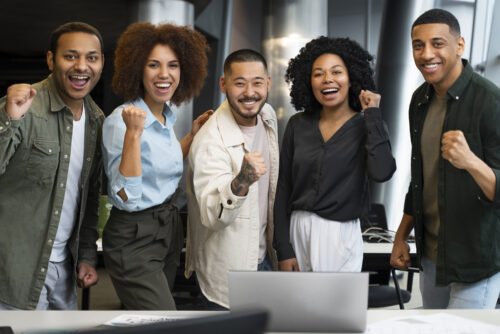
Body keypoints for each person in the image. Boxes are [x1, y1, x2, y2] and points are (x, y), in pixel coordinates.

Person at [390, 8, 500, 309]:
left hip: (474, 261)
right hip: (431, 257)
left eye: (438, 43)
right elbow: (420, 179)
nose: (426, 54)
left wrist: (471, 161)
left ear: (459, 46)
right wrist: (401, 236)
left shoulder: (491, 101)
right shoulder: (419, 100)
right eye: (418, 45)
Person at [101, 22, 210, 310]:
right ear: (137, 69)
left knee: (148, 321)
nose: (165, 74)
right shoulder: (122, 121)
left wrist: (190, 137)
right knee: (162, 318)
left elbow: (162, 163)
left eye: (173, 65)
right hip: (135, 236)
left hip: (167, 229)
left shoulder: (164, 118)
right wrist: (133, 134)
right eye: (153, 65)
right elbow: (125, 196)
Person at [0, 22, 105, 310]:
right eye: (70, 56)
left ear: (101, 63)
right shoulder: (24, 106)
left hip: (65, 274)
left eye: (91, 58)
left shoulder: (97, 121)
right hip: (14, 273)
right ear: (51, 60)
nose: (81, 66)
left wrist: (86, 255)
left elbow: (89, 199)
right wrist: (9, 120)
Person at [273, 37, 396, 273]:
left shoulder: (368, 124)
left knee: (335, 310)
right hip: (297, 230)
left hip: (340, 233)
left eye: (336, 72)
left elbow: (381, 172)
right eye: (318, 73)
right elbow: (283, 188)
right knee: (297, 309)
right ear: (308, 81)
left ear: (352, 79)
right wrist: (283, 248)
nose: (327, 79)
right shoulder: (297, 125)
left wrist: (373, 114)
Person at [185, 49, 279, 309]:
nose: (250, 92)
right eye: (239, 83)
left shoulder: (267, 116)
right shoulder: (209, 140)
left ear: (268, 83)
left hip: (264, 259)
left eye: (257, 82)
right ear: (224, 84)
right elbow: (211, 216)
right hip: (228, 273)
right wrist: (242, 182)